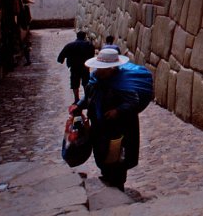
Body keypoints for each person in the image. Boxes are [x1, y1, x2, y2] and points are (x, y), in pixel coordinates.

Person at [69, 48, 151, 191]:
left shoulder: (122, 83)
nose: (99, 71)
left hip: (118, 130)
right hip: (99, 127)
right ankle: (106, 177)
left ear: (112, 68)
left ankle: (118, 186)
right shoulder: (96, 78)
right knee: (101, 154)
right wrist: (79, 106)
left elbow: (133, 101)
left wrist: (117, 111)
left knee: (117, 158)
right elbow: (89, 95)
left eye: (103, 69)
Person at [57, 31, 95, 103]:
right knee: (86, 83)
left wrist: (62, 60)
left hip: (74, 67)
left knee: (74, 83)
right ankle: (86, 98)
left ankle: (76, 99)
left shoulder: (70, 45)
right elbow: (92, 56)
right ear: (84, 36)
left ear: (77, 36)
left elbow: (60, 57)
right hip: (85, 67)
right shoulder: (89, 45)